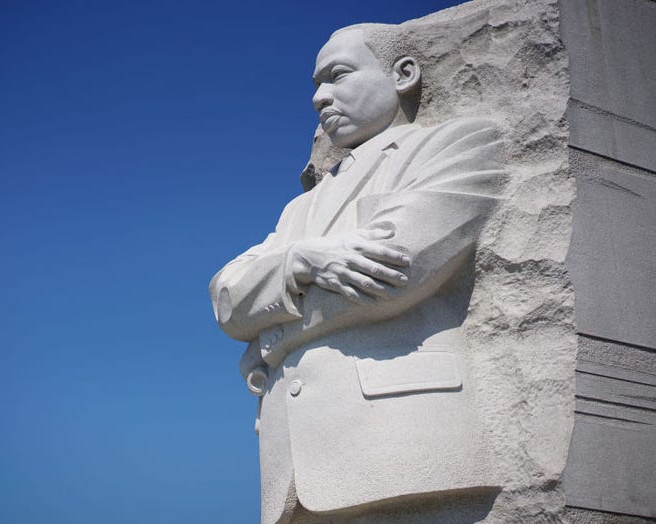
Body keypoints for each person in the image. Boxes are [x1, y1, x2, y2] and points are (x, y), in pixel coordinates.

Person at [209, 23, 505, 524]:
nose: (319, 97)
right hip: (293, 474)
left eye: (337, 76)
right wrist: (299, 261)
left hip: (407, 448)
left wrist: (268, 340)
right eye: (315, 85)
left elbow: (392, 273)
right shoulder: (297, 211)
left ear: (403, 74)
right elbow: (225, 296)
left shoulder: (453, 145)